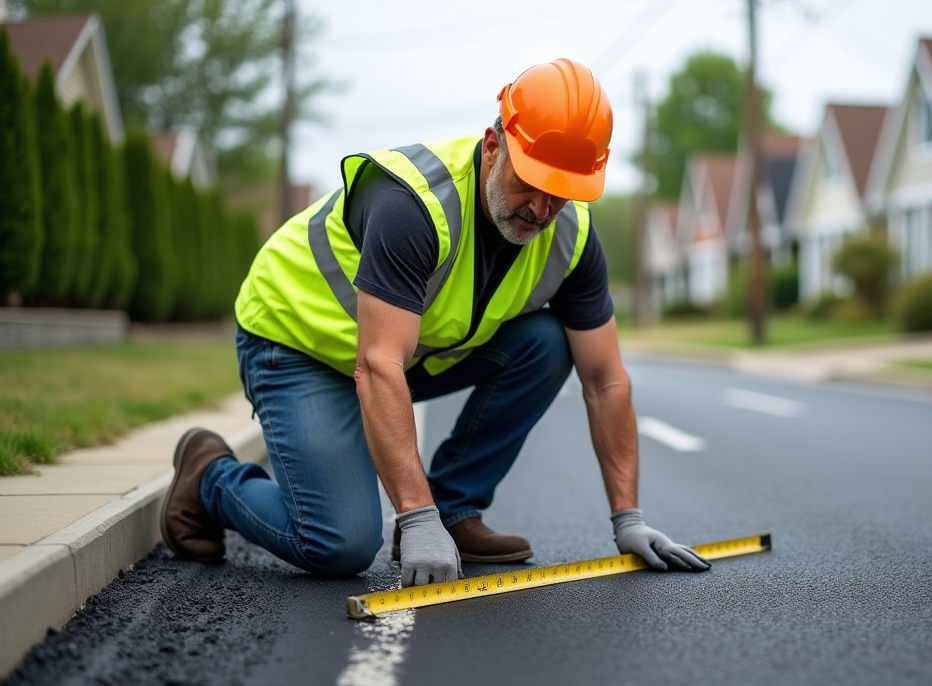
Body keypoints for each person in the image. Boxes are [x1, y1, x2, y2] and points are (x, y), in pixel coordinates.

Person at [159, 58, 710, 587]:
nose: (542, 209)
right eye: (532, 181)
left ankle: (455, 512)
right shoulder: (414, 204)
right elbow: (378, 365)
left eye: (562, 192)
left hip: (405, 354)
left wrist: (628, 517)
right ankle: (209, 478)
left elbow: (605, 380)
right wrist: (413, 517)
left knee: (547, 342)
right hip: (297, 342)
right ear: (493, 146)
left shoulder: (572, 237)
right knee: (338, 545)